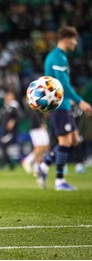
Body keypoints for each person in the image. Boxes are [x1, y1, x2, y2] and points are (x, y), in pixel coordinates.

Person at [37, 26, 92, 190]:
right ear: (67, 39)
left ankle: (44, 164)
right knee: (65, 141)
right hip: (59, 105)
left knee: (74, 139)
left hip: (64, 104)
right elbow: (62, 84)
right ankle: (59, 180)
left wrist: (72, 100)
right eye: (74, 39)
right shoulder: (58, 57)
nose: (76, 43)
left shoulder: (58, 56)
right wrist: (80, 100)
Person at [0, 91, 21, 171]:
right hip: (3, 131)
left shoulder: (14, 108)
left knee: (3, 147)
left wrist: (13, 121)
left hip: (10, 132)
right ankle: (10, 164)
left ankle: (3, 164)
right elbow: (0, 119)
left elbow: (19, 117)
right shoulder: (4, 108)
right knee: (3, 148)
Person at [21, 108, 50, 176]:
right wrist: (40, 124)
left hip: (38, 125)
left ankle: (36, 167)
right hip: (36, 127)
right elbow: (34, 113)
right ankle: (27, 161)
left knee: (45, 147)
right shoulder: (34, 102)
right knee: (40, 147)